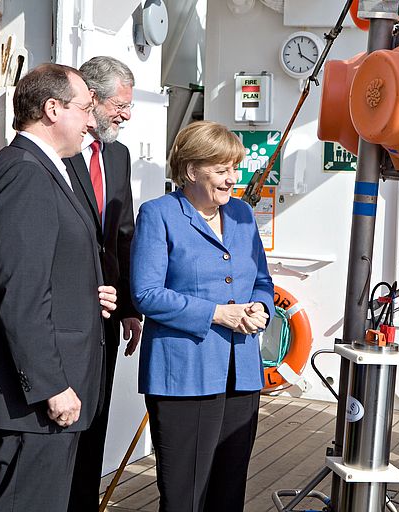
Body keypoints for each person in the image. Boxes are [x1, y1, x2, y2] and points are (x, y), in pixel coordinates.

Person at [0, 63, 117, 512]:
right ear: (53, 109)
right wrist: (51, 385)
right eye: (86, 108)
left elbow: (49, 266)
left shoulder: (49, 168)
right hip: (33, 401)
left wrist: (90, 292)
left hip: (44, 396)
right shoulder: (25, 172)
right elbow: (22, 292)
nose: (91, 120)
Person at [130, 120, 274, 512]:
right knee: (185, 497)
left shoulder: (243, 216)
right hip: (184, 375)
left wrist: (260, 307)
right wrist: (217, 314)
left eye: (235, 169)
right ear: (192, 170)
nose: (233, 179)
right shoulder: (158, 214)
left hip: (241, 373)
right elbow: (146, 294)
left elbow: (262, 280)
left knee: (229, 492)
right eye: (222, 170)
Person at [64, 55, 143, 512]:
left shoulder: (118, 154)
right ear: (90, 98)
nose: (126, 115)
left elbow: (123, 232)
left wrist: (130, 305)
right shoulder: (58, 152)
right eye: (120, 104)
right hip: (68, 312)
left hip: (109, 314)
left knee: (96, 417)